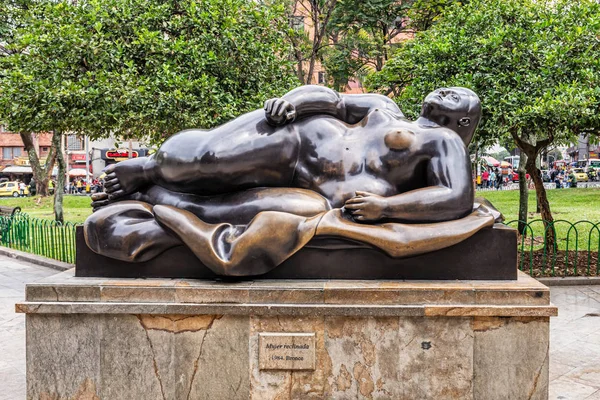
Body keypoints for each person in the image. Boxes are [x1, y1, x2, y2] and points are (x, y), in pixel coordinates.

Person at [94, 85, 481, 223]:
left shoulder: (444, 143)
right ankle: (146, 168)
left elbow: (455, 197)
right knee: (207, 159)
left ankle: (151, 195)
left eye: (458, 96)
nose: (449, 90)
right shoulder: (385, 106)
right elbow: (334, 99)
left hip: (318, 188)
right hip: (298, 135)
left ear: (464, 123)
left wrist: (387, 209)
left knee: (229, 205)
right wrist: (292, 101)